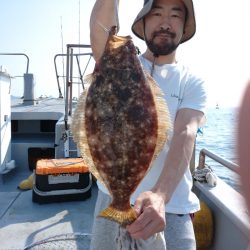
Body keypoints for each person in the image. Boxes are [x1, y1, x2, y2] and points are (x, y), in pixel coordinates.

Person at [89, 0, 207, 249]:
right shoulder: (118, 64)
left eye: (175, 15)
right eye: (156, 13)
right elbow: (101, 27)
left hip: (170, 206)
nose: (165, 23)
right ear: (142, 22)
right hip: (112, 199)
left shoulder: (192, 81)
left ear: (184, 26)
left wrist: (161, 195)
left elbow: (186, 133)